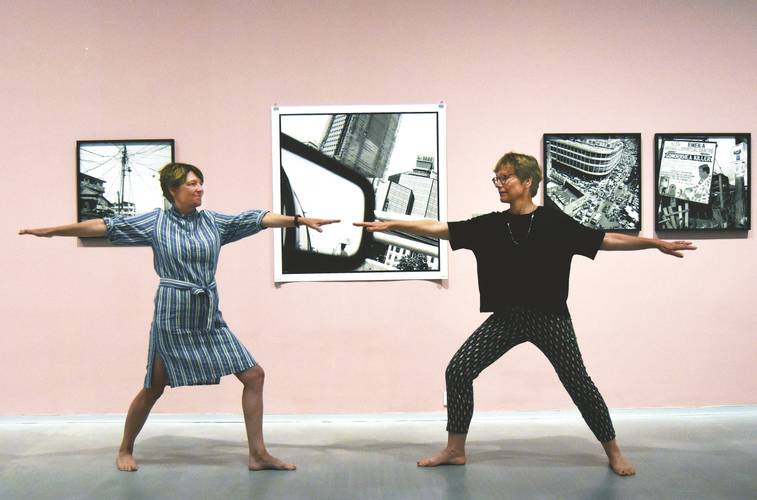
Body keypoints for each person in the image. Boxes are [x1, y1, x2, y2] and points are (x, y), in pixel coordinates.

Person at [356, 152, 696, 476]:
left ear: (528, 181)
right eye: (496, 178)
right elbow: (441, 228)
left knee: (578, 383)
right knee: (458, 371)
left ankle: (614, 452)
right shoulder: (490, 225)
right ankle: (455, 450)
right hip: (507, 318)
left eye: (505, 177)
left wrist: (655, 243)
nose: (499, 183)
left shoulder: (553, 221)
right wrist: (392, 225)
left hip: (551, 317)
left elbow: (604, 239)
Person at [19, 162, 338, 472]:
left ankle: (258, 454)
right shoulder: (156, 222)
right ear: (173, 190)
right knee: (154, 387)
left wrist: (297, 220)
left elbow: (256, 218)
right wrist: (51, 231)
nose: (200, 188)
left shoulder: (213, 222)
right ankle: (125, 448)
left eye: (201, 183)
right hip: (173, 314)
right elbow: (105, 226)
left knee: (254, 376)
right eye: (192, 183)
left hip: (207, 314)